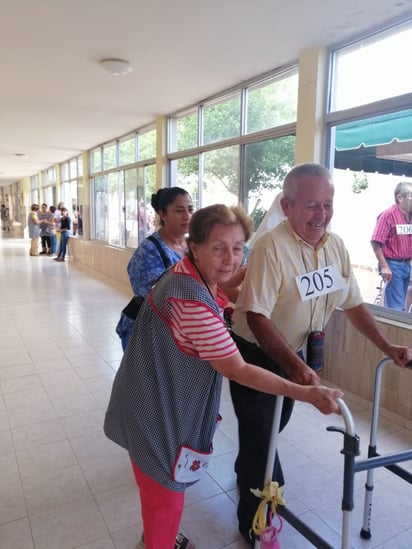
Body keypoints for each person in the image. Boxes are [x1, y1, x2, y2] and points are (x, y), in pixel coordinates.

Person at [104, 203, 344, 549]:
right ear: (195, 247)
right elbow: (238, 369)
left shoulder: (189, 274)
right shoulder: (191, 303)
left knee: (158, 496)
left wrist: (256, 264)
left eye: (237, 247)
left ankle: (159, 537)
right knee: (166, 500)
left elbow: (227, 286)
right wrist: (305, 393)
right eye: (218, 248)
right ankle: (158, 541)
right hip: (154, 413)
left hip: (148, 397)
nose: (230, 258)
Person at [229, 163, 412, 546]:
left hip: (295, 352)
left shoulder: (335, 246)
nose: (322, 215)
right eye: (312, 205)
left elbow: (353, 303)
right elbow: (257, 318)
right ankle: (256, 523)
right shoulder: (270, 247)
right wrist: (297, 370)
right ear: (287, 205)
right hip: (255, 355)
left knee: (266, 434)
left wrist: (387, 347)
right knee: (263, 443)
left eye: (328, 204)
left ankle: (248, 467)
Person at [116, 187, 193, 351]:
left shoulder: (192, 246)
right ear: (162, 214)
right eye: (179, 211)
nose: (187, 216)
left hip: (177, 332)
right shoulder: (149, 251)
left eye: (190, 209)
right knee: (143, 377)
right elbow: (156, 300)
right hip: (147, 334)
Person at [371, 181, 412, 311]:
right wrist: (384, 266)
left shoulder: (409, 217)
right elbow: (376, 242)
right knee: (396, 308)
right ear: (400, 198)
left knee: (401, 305)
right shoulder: (388, 215)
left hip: (406, 265)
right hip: (393, 265)